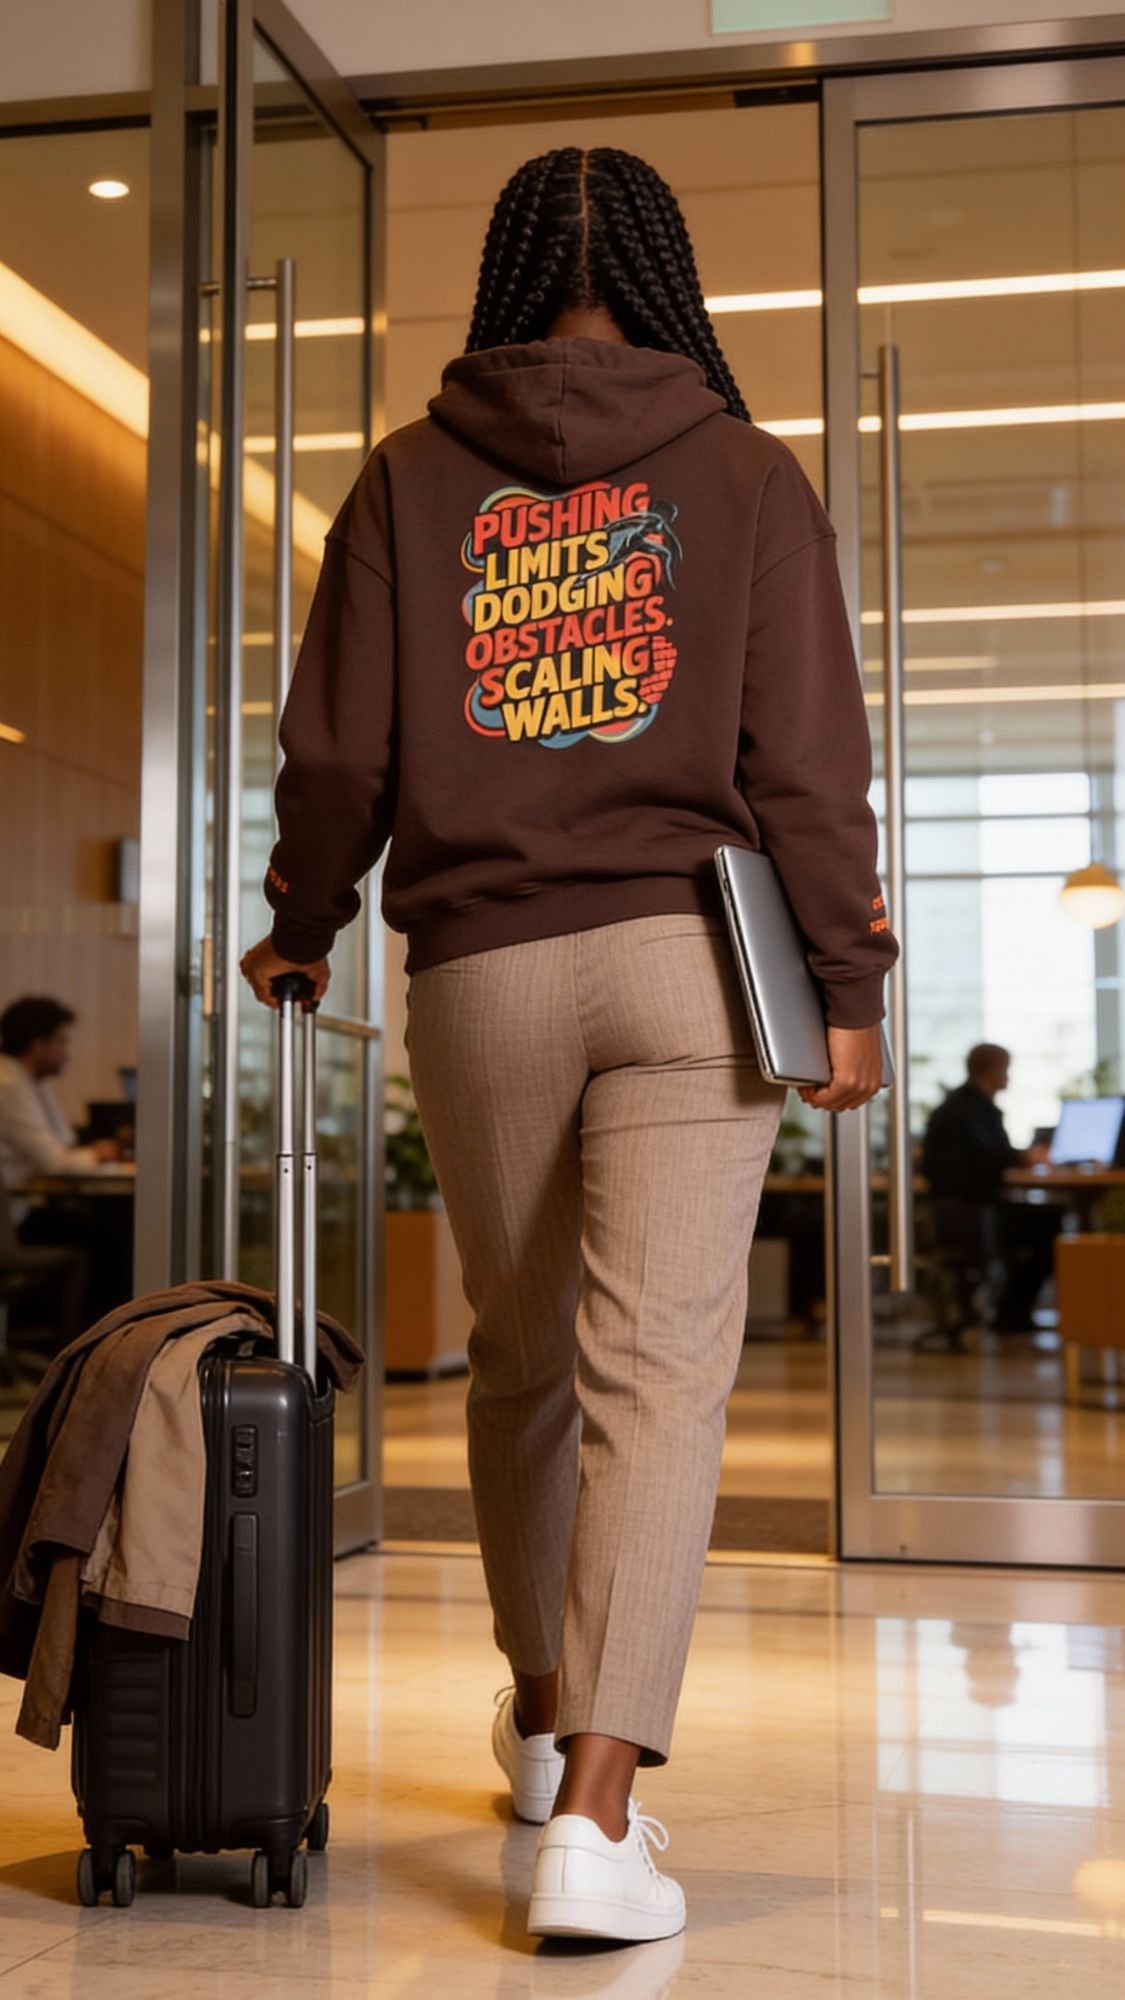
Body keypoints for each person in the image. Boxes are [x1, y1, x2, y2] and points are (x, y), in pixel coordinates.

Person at [242, 146, 898, 1944]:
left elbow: (341, 761)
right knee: (658, 1373)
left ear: (507, 276)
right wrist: (848, 982)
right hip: (694, 963)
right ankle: (597, 1822)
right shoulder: (750, 475)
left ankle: (546, 1727)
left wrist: (299, 926)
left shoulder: (404, 481)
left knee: (523, 1362)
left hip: (485, 971)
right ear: (678, 282)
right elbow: (807, 762)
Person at [0, 997, 127, 1323]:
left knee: (102, 1229)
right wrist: (96, 1154)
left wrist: (88, 1151)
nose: (66, 1051)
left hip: (21, 1208)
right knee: (108, 1238)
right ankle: (89, 1340)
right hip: (12, 1221)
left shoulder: (28, 1081)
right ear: (37, 1044)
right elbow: (54, 1160)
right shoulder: (9, 1085)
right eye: (61, 1040)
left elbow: (64, 1144)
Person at [922, 1042, 1058, 1334]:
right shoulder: (971, 1109)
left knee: (1043, 1221)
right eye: (1006, 1069)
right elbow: (991, 1158)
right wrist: (1025, 1157)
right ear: (995, 1070)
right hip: (974, 1212)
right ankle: (1012, 1315)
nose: (1008, 1077)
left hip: (964, 1209)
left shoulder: (960, 1105)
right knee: (1049, 1225)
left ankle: (1011, 1313)